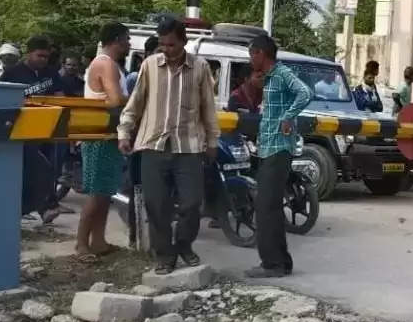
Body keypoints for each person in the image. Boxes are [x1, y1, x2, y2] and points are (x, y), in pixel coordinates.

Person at [117, 17, 221, 275]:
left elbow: (209, 108)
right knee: (156, 204)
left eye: (172, 45)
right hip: (153, 145)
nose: (166, 49)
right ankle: (164, 255)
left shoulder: (200, 68)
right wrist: (124, 132)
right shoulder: (150, 66)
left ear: (184, 42)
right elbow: (135, 103)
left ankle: (184, 245)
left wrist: (212, 141)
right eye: (162, 44)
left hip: (189, 147)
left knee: (192, 203)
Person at [243, 35, 313, 278]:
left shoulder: (282, 73)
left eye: (252, 54)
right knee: (268, 207)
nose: (251, 59)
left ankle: (273, 264)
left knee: (266, 207)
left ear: (261, 53)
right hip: (267, 148)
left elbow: (305, 93)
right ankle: (281, 262)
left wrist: (288, 117)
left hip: (278, 149)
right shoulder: (269, 78)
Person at [75, 23, 129, 262]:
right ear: (117, 40)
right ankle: (81, 244)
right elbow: (116, 99)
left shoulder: (111, 64)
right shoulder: (104, 64)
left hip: (109, 135)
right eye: (127, 40)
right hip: (98, 135)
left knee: (106, 191)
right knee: (97, 192)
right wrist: (140, 99)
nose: (129, 45)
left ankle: (98, 241)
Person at [2, 35, 66, 224]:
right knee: (36, 168)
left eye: (46, 57)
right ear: (29, 53)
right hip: (22, 130)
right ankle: (43, 207)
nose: (43, 60)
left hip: (48, 129)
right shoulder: (12, 74)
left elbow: (61, 97)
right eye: (40, 56)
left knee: (50, 169)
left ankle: (39, 207)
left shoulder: (51, 73)